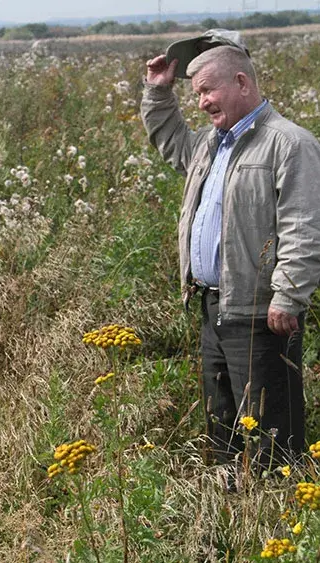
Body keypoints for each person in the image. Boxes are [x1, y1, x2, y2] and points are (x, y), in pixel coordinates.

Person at [141, 30, 320, 468]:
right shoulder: (210, 143)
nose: (201, 102)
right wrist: (158, 92)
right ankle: (229, 512)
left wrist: (288, 296)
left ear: (242, 82)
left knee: (269, 426)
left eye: (207, 90)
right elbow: (171, 141)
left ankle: (280, 517)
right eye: (196, 93)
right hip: (213, 307)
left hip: (261, 313)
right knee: (222, 422)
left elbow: (304, 226)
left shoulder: (289, 143)